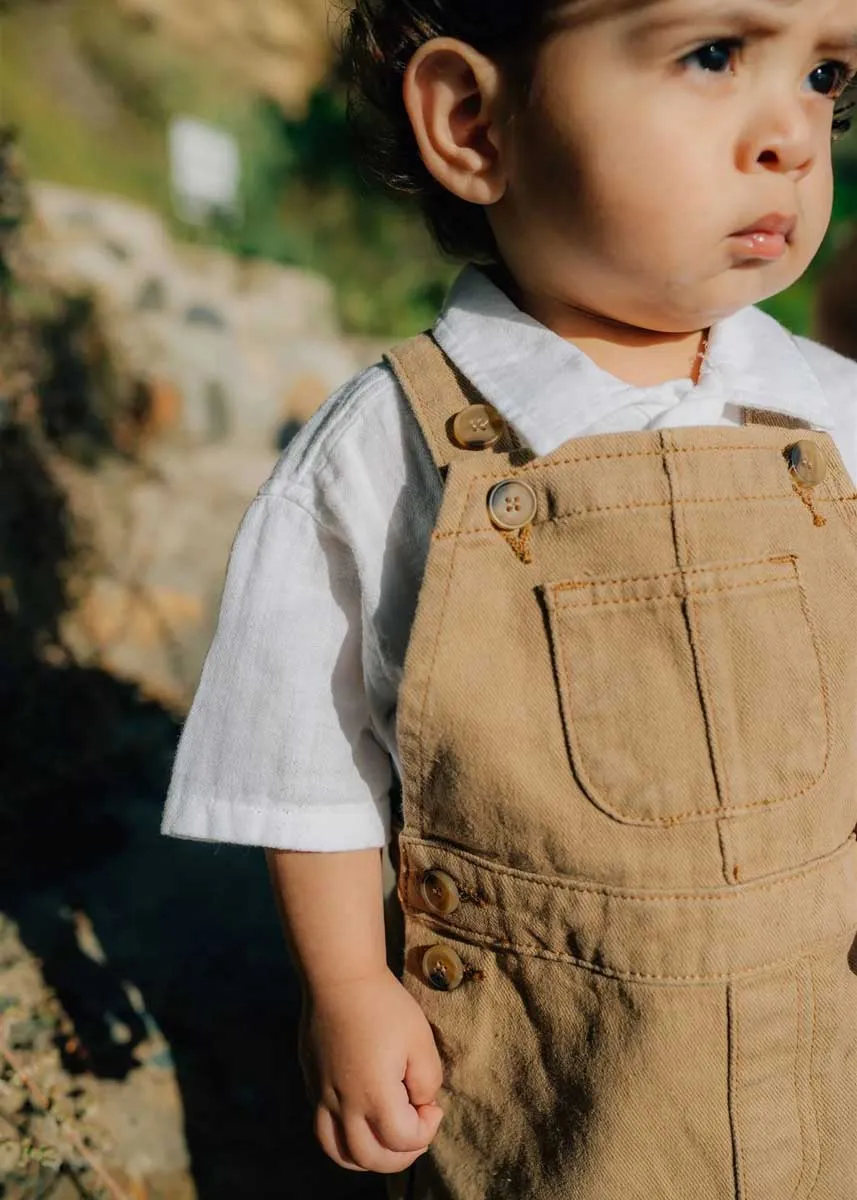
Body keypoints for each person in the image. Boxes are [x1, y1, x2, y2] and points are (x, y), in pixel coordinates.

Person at [161, 0, 857, 1195]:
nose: (789, 134)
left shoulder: (827, 415)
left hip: (819, 1021)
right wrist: (347, 987)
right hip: (548, 1054)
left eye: (826, 75)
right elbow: (303, 757)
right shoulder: (388, 450)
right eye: (710, 55)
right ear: (473, 122)